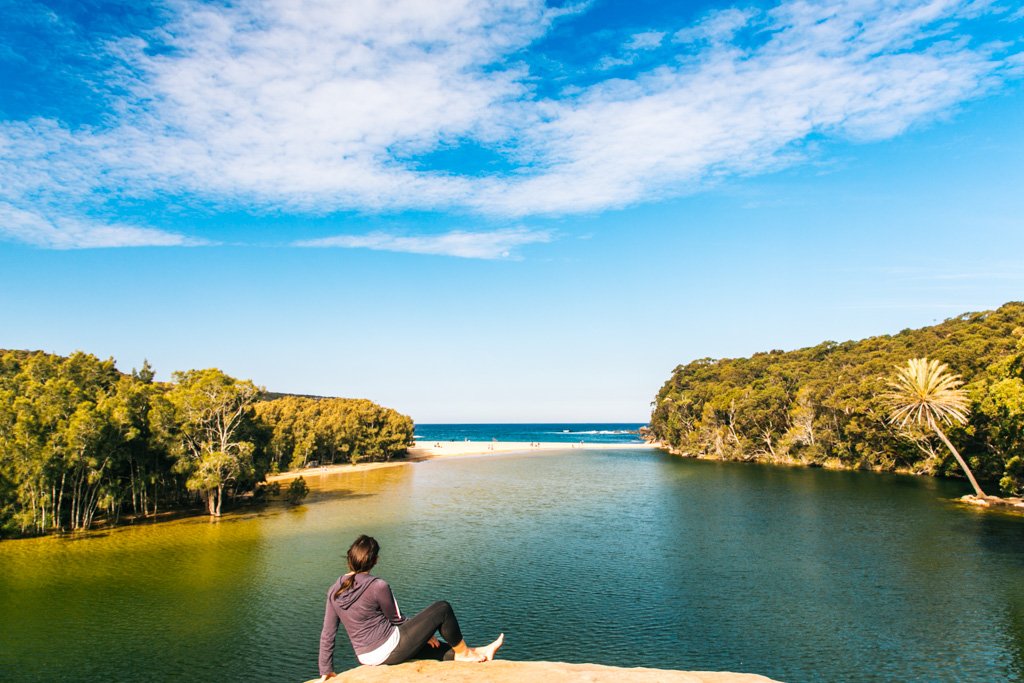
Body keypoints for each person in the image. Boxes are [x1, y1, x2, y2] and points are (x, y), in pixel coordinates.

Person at [317, 535, 504, 680]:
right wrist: (426, 630)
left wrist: (326, 670)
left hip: (366, 656)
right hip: (388, 646)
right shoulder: (377, 586)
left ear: (349, 558)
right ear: (375, 560)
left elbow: (328, 633)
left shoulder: (334, 590)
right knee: (442, 609)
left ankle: (480, 653)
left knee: (435, 648)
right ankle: (464, 653)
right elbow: (396, 619)